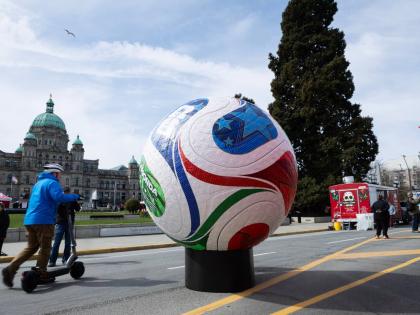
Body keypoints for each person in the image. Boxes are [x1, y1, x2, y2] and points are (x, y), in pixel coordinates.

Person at [2, 163, 79, 288]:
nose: (60, 177)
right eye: (59, 174)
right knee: (45, 248)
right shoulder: (52, 183)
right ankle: (41, 274)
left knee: (31, 248)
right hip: (44, 221)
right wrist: (75, 196)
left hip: (30, 220)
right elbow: (58, 197)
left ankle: (11, 268)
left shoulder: (38, 184)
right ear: (55, 173)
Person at [48, 187, 81, 267]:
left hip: (64, 222)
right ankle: (63, 259)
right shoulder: (62, 200)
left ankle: (54, 261)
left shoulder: (67, 199)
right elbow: (78, 209)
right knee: (64, 242)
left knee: (61, 242)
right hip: (63, 222)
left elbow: (77, 209)